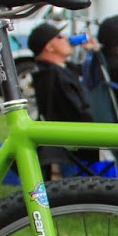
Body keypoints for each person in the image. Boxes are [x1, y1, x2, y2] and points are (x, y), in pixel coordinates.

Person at [27, 21, 97, 176]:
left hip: (68, 142)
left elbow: (87, 73)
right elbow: (78, 114)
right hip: (80, 141)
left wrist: (92, 53)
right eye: (59, 37)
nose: (66, 38)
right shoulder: (54, 75)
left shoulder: (57, 70)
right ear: (50, 47)